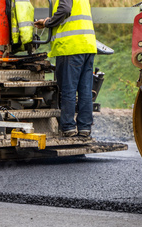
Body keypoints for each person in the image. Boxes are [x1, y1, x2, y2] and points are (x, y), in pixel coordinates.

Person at [35, 0, 97, 137]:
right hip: (87, 45)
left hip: (70, 47)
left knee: (68, 90)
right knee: (85, 90)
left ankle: (68, 127)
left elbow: (64, 10)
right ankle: (84, 128)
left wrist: (48, 23)